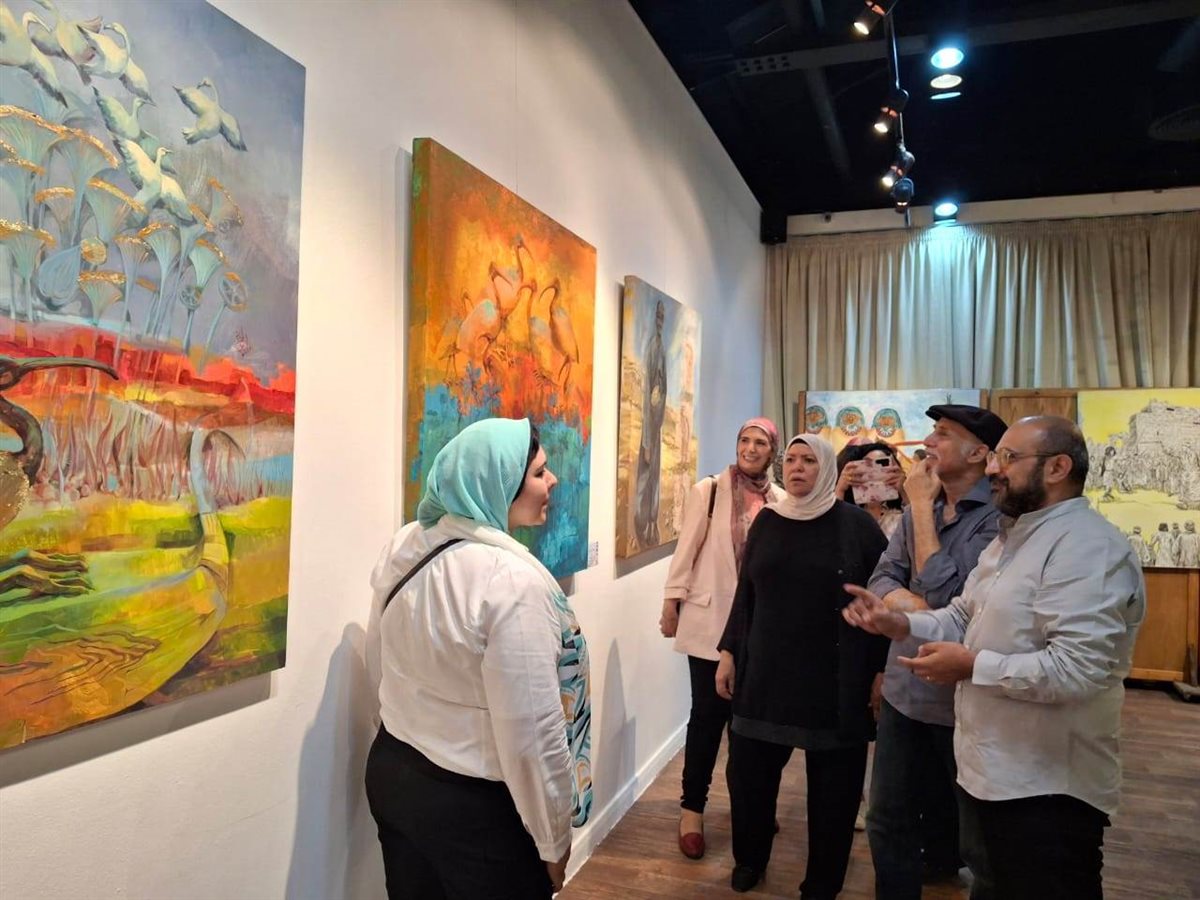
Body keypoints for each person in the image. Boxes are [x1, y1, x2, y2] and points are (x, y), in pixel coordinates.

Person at [843, 415, 1145, 900]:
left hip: (1048, 785)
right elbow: (964, 613)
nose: (992, 469)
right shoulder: (1013, 538)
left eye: (1008, 457)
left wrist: (971, 666)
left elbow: (1077, 670)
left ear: (1057, 468)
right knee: (989, 878)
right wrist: (902, 625)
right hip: (996, 770)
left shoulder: (1088, 547)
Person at [364, 418, 592, 900]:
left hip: (394, 769)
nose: (552, 481)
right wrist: (553, 839)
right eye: (539, 472)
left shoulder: (408, 543)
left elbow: (378, 660)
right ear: (496, 483)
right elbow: (533, 732)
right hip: (476, 807)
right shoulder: (511, 582)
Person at [716, 434, 889, 897]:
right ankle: (749, 859)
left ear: (827, 467)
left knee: (835, 792)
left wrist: (880, 669)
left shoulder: (856, 527)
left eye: (809, 460)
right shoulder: (769, 521)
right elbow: (746, 594)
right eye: (791, 459)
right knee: (749, 778)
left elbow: (883, 602)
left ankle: (822, 882)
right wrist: (729, 652)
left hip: (834, 678)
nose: (797, 468)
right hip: (765, 673)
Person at [864, 405, 1008, 899]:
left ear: (979, 452)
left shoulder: (999, 521)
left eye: (943, 434)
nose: (929, 442)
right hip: (904, 691)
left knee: (977, 838)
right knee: (887, 818)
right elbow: (882, 578)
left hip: (964, 700)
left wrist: (922, 508)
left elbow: (952, 596)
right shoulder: (914, 514)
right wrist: (924, 607)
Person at [660, 417, 785, 859]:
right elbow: (686, 551)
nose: (750, 448)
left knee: (748, 726)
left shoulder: (781, 501)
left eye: (759, 443)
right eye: (744, 440)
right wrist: (671, 602)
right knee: (707, 719)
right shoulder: (709, 491)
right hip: (710, 622)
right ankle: (691, 810)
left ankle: (749, 805)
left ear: (772, 451)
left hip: (758, 629)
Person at [634, 299, 668, 548]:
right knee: (645, 478)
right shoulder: (653, 347)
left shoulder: (662, 346)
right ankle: (641, 525)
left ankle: (651, 525)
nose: (660, 321)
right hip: (650, 428)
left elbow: (661, 389)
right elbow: (648, 394)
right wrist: (647, 440)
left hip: (656, 427)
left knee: (654, 477)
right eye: (658, 316)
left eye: (662, 317)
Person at [835, 441, 907, 539]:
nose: (874, 472)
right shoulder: (851, 513)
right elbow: (833, 529)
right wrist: (840, 489)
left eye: (882, 464)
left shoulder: (898, 516)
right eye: (867, 464)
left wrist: (903, 491)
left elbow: (918, 529)